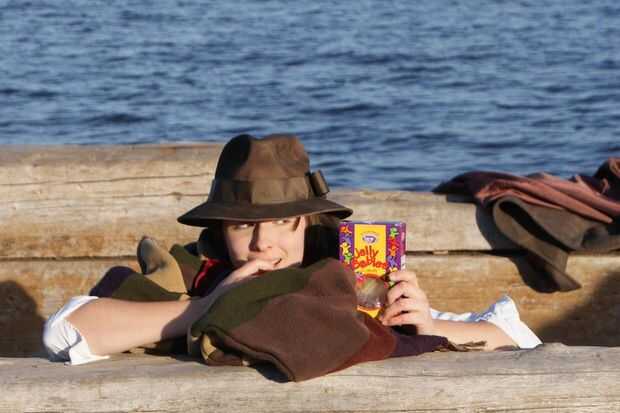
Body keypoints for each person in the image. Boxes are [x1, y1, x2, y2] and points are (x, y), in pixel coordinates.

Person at [43, 134, 540, 365]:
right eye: (244, 226)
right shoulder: (195, 276)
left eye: (282, 222)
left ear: (307, 223)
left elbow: (516, 338)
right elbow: (64, 331)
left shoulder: (342, 278)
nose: (264, 243)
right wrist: (208, 307)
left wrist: (427, 325)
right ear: (220, 230)